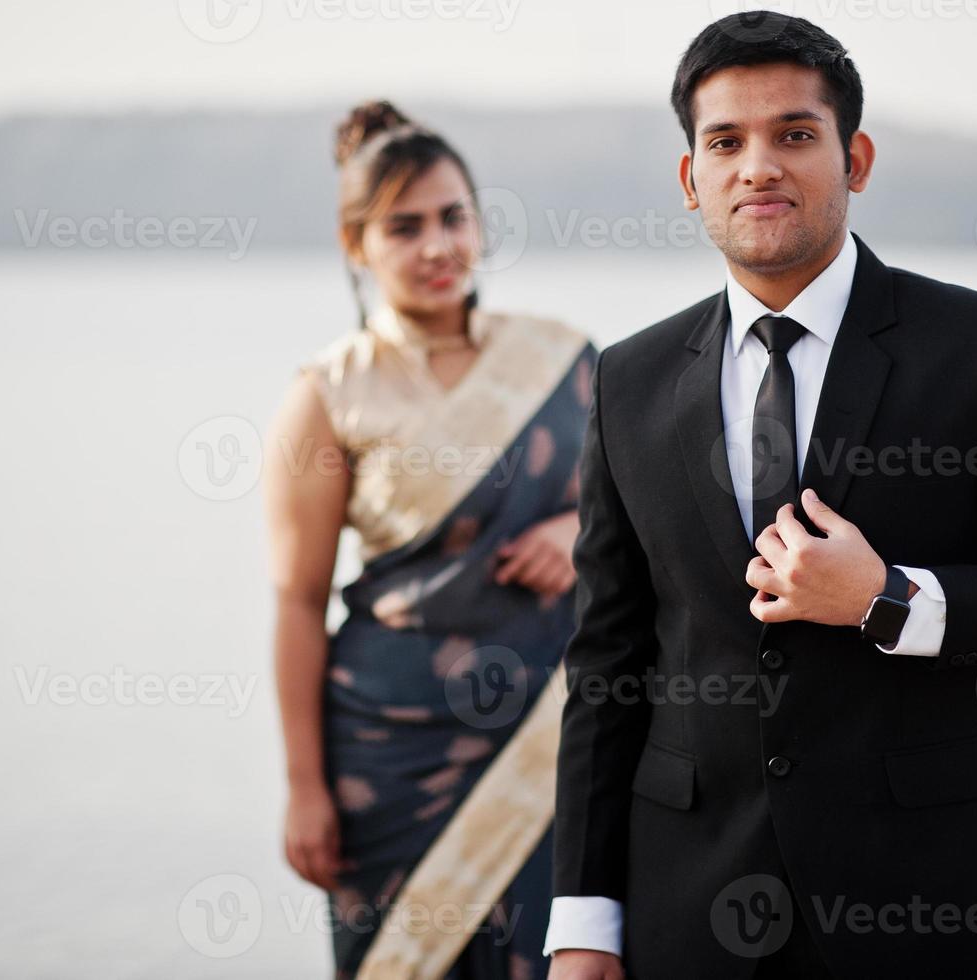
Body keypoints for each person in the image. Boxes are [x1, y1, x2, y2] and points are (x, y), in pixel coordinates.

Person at [545, 14, 977, 980]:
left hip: (932, 909)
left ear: (854, 158)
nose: (758, 167)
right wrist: (583, 918)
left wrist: (885, 599)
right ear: (691, 178)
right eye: (725, 143)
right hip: (690, 914)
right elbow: (606, 666)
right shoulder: (629, 380)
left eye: (795, 134)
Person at [264, 99, 596, 979]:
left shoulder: (563, 358)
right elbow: (297, 601)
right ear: (354, 245)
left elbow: (653, 519)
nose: (438, 246)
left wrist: (579, 529)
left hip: (556, 728)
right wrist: (305, 787)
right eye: (403, 227)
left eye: (453, 217)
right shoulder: (329, 393)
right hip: (391, 745)